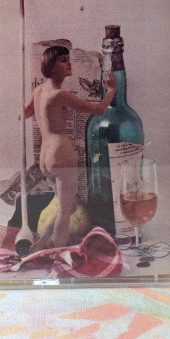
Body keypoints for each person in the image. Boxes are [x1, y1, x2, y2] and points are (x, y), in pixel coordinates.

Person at [22, 45, 115, 251]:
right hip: (61, 154)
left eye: (68, 59)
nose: (69, 63)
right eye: (63, 60)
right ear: (51, 66)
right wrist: (111, 91)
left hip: (45, 158)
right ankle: (57, 255)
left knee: (70, 206)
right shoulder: (60, 95)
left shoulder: (39, 91)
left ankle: (41, 243)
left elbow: (23, 114)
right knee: (65, 212)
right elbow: (99, 109)